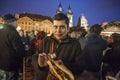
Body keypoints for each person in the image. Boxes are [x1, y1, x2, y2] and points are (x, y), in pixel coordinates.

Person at [37, 13, 82, 80]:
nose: (58, 31)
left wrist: (65, 65)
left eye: (62, 27)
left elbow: (80, 67)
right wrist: (39, 64)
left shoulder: (75, 44)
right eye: (55, 27)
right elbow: (34, 57)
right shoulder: (46, 40)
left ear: (68, 29)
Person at [0, 14, 25, 80]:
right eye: (16, 22)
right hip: (11, 66)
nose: (17, 23)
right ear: (11, 22)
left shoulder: (1, 31)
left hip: (1, 66)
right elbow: (19, 50)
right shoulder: (13, 32)